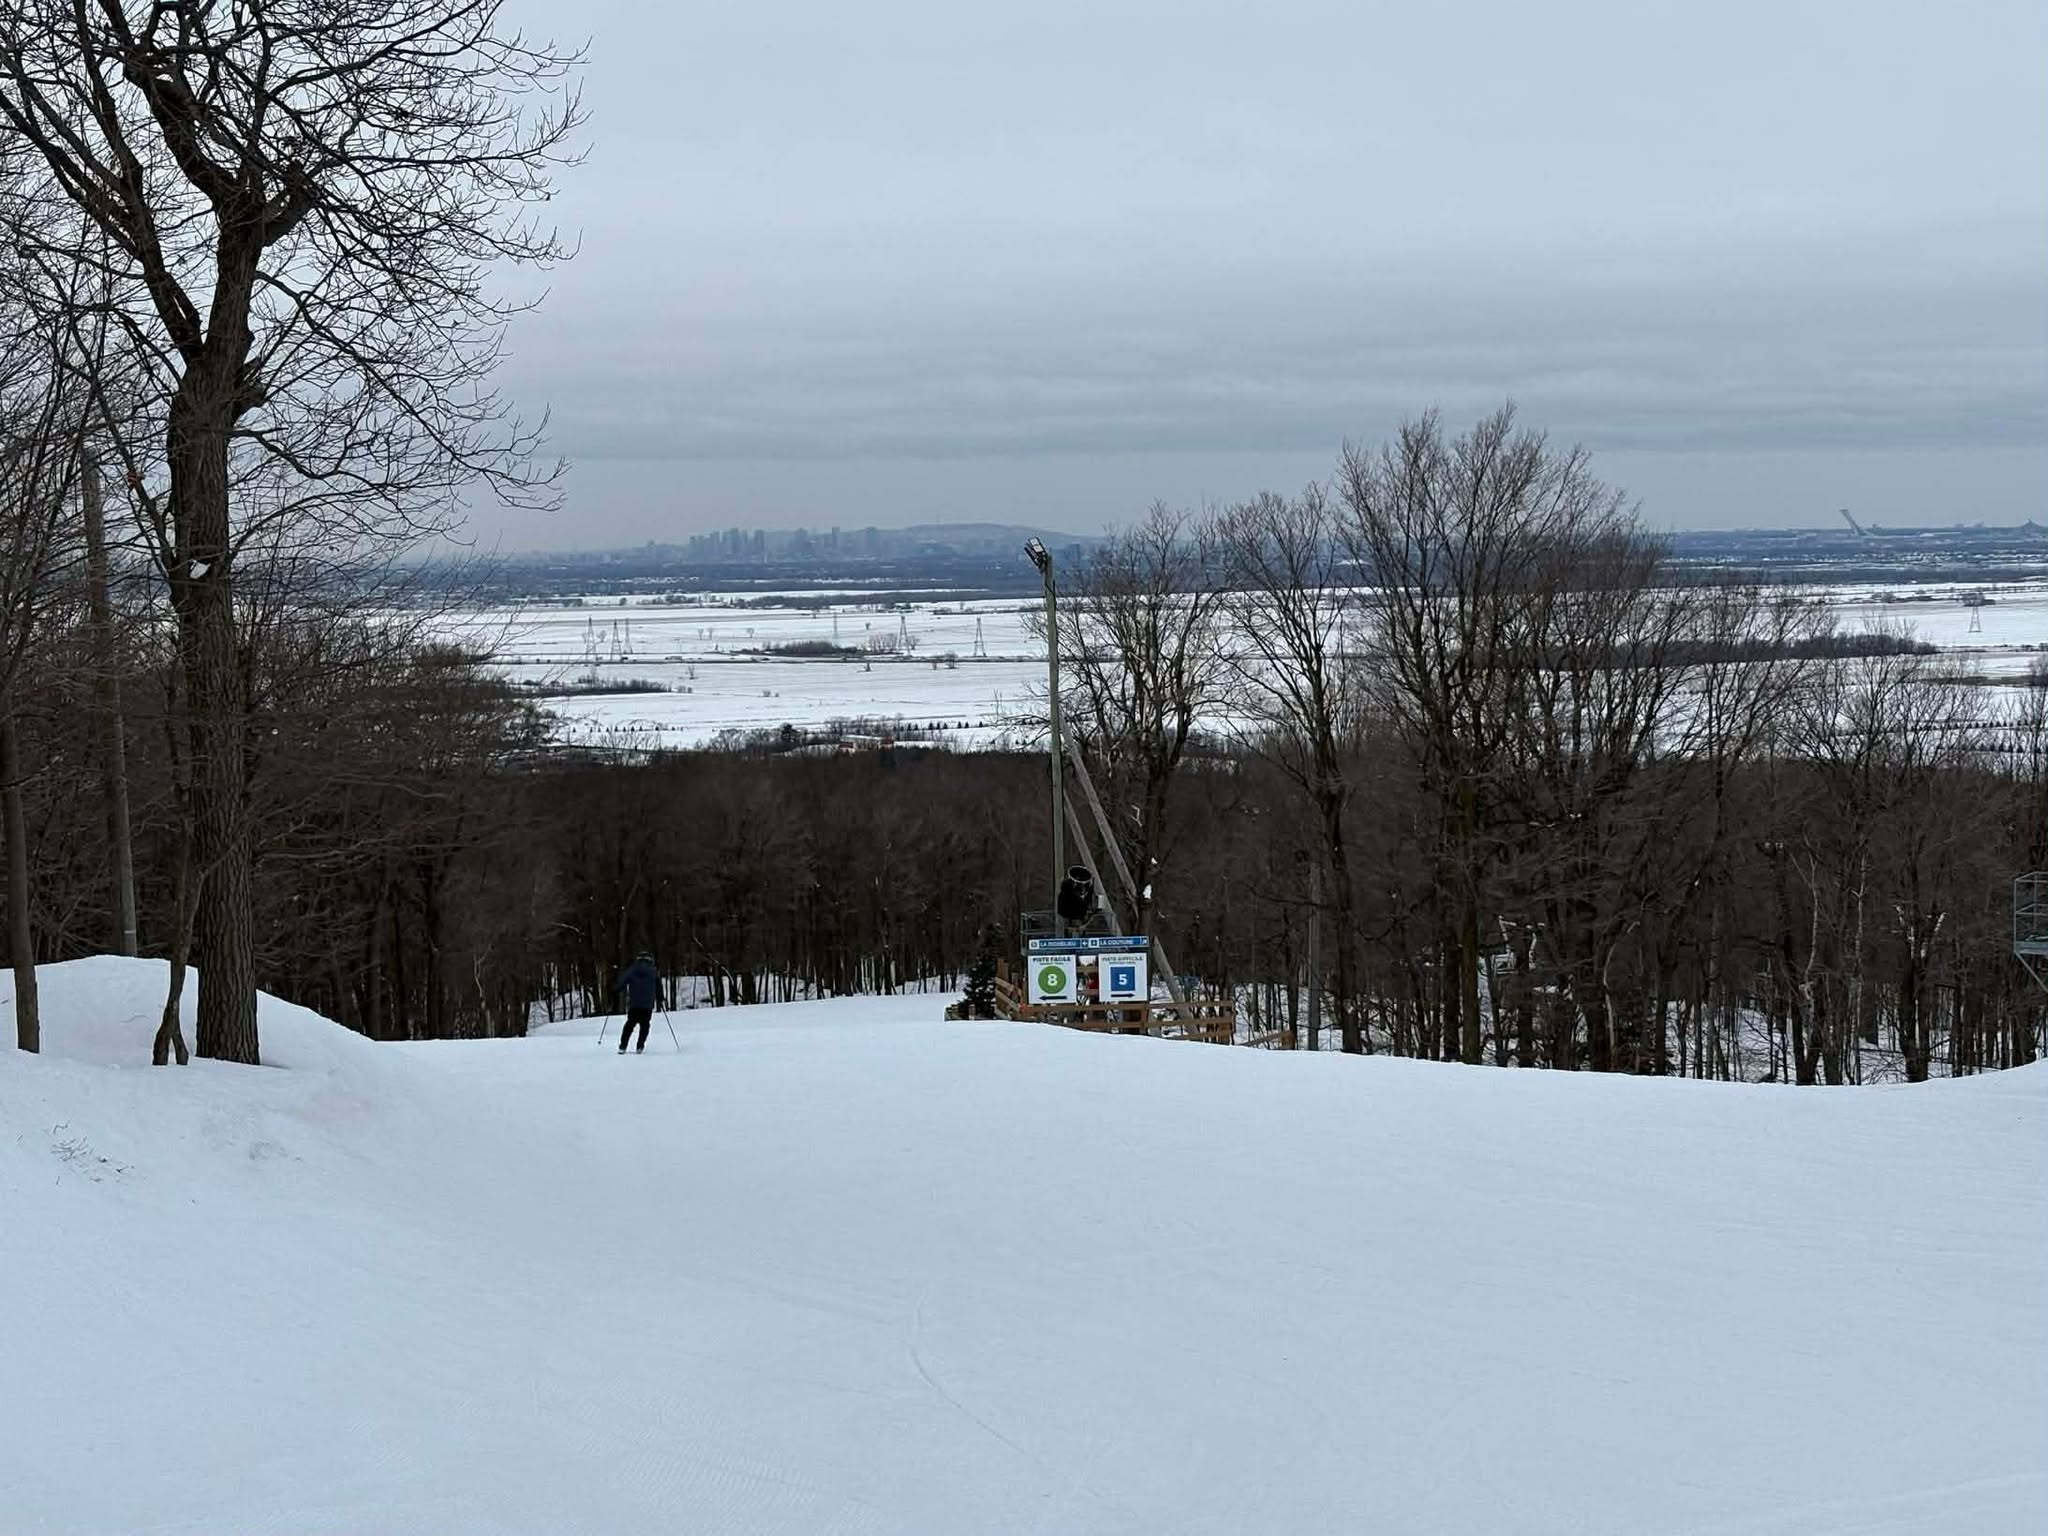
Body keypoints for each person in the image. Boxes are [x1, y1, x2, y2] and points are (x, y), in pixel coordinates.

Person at [614, 951, 660, 1053]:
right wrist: (660, 997)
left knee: (630, 1024)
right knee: (645, 1025)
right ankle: (640, 1046)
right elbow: (658, 986)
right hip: (648, 1004)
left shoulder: (632, 970)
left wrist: (617, 989)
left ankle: (623, 1046)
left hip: (634, 1003)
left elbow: (623, 981)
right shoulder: (653, 971)